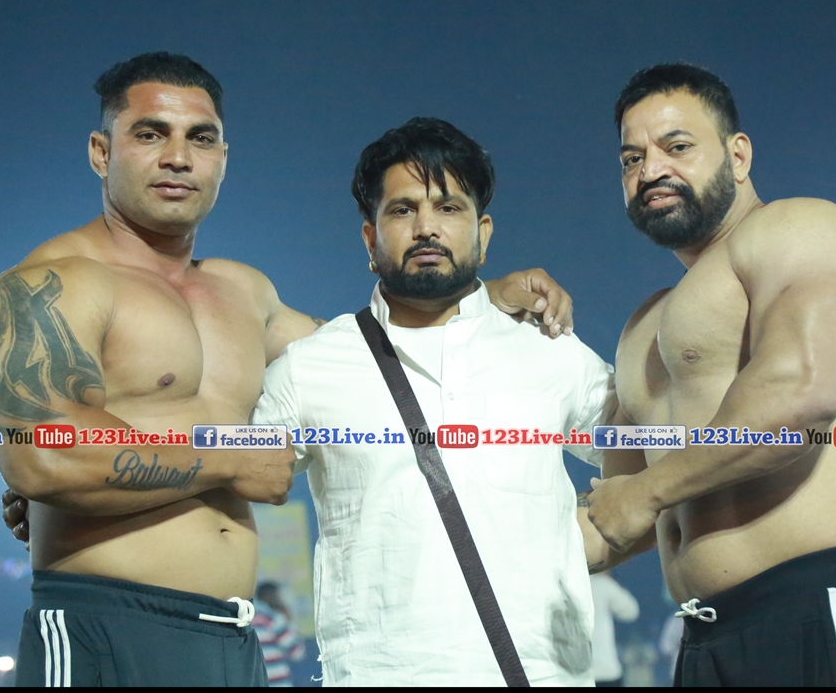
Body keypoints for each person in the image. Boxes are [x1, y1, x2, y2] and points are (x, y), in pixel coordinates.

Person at [0, 51, 576, 686]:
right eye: (150, 134)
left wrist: (471, 298)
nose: (178, 157)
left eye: (200, 138)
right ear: (102, 152)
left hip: (235, 636)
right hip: (106, 624)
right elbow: (41, 455)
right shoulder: (54, 283)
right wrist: (229, 462)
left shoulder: (244, 293)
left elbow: (370, 365)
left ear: (222, 159)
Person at [584, 63, 836, 686]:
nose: (651, 170)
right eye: (632, 159)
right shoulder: (641, 328)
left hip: (818, 609)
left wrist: (645, 494)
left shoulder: (801, 229)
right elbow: (615, 516)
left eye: (677, 146)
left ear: (738, 155)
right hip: (703, 641)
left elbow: (799, 400)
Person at [252, 117, 616, 685]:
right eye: (403, 210)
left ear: (483, 234)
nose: (426, 227)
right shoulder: (310, 368)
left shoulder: (550, 351)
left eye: (448, 208)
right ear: (370, 238)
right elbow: (239, 476)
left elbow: (653, 456)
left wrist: (581, 542)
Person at [589, 570, 640, 686]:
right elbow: (630, 611)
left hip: (568, 675)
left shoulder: (557, 585)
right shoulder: (601, 583)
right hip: (605, 671)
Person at [252, 581, 306, 686]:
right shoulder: (274, 619)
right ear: (274, 597)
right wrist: (288, 621)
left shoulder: (246, 619)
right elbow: (297, 652)